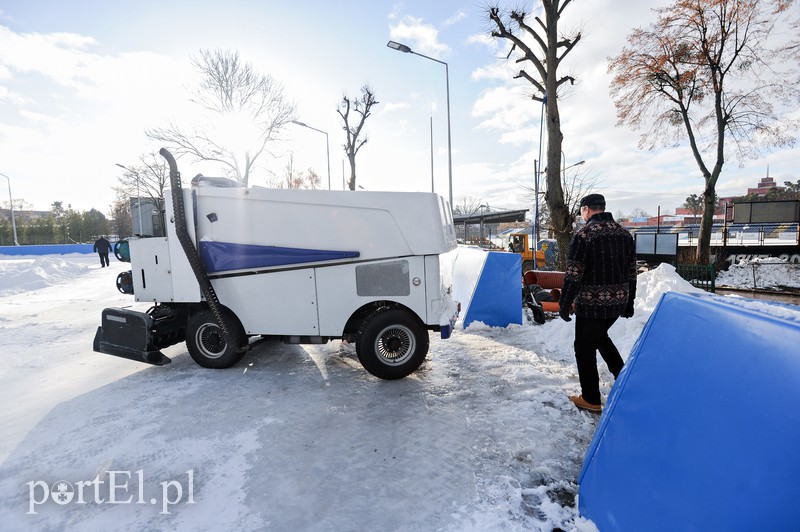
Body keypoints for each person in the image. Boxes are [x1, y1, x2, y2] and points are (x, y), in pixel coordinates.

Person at [558, 194, 636, 414]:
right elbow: (632, 272)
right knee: (600, 337)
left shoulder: (584, 235)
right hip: (617, 302)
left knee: (584, 347)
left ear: (586, 210)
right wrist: (629, 302)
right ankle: (624, 379)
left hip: (591, 305)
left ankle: (591, 398)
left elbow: (573, 274)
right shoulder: (624, 234)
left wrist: (564, 304)